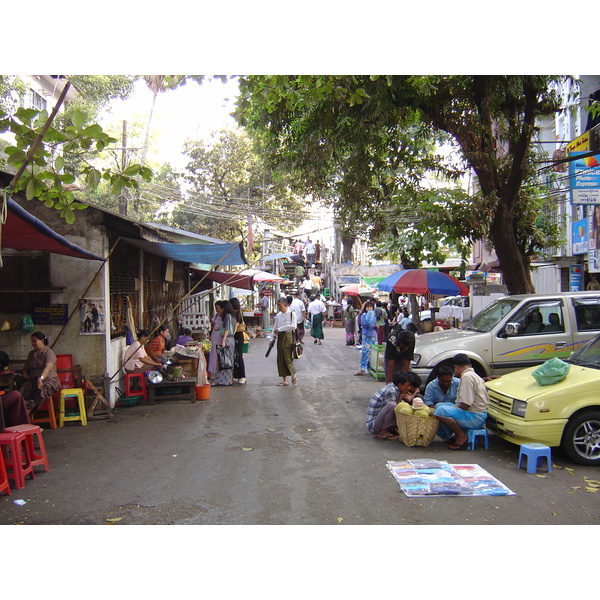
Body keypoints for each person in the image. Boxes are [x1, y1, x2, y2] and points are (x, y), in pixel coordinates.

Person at [434, 353, 489, 450]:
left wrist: (450, 409)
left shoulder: (467, 377)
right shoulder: (473, 375)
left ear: (456, 367)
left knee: (440, 411)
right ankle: (457, 434)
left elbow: (465, 404)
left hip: (475, 418)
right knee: (440, 405)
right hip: (477, 415)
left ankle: (461, 435)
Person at [19, 331, 61, 415]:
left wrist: (41, 378)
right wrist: (24, 372)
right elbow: (26, 367)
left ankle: (28, 412)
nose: (33, 343)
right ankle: (22, 411)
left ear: (41, 340)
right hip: (33, 380)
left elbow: (48, 367)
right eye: (32, 341)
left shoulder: (48, 352)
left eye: (35, 341)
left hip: (49, 380)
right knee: (22, 391)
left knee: (41, 391)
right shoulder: (31, 354)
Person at [365, 371, 411, 440]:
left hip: (378, 422)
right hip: (373, 426)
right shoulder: (391, 391)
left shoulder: (394, 388)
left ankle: (387, 429)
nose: (409, 388)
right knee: (392, 405)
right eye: (407, 386)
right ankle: (383, 432)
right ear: (400, 384)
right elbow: (396, 410)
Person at [273, 297, 298, 386]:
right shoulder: (278, 315)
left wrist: (280, 329)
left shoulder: (292, 314)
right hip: (280, 337)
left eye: (280, 305)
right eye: (278, 306)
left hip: (288, 336)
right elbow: (274, 328)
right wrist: (273, 338)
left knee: (287, 357)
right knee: (280, 358)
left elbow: (293, 326)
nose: (279, 307)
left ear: (285, 305)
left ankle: (293, 373)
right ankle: (285, 379)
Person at [211, 299, 237, 386]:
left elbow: (226, 329)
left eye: (221, 308)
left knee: (223, 360)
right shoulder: (233, 316)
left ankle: (220, 380)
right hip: (231, 339)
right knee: (229, 360)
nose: (220, 310)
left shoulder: (227, 316)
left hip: (227, 339)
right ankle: (230, 379)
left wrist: (223, 341)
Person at [355, 301, 376, 375]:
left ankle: (370, 369)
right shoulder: (363, 315)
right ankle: (362, 369)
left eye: (370, 307)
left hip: (373, 335)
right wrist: (370, 323)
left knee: (373, 353)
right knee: (365, 352)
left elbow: (375, 323)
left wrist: (374, 326)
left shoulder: (374, 315)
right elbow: (364, 324)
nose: (369, 308)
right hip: (366, 335)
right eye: (368, 307)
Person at [230, 297, 247, 385]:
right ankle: (237, 375)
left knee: (239, 356)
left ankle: (242, 376)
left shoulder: (237, 314)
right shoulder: (234, 313)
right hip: (236, 336)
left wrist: (230, 334)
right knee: (235, 356)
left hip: (238, 335)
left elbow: (236, 326)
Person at [208, 302, 224, 380]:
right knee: (213, 353)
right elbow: (212, 324)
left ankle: (219, 371)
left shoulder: (225, 316)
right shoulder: (216, 316)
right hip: (215, 335)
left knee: (220, 354)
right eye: (216, 308)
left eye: (218, 308)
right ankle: (212, 371)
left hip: (221, 336)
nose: (217, 310)